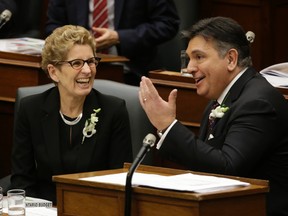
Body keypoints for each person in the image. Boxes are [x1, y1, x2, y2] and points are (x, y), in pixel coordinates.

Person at [138, 16, 288, 215]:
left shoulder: (257, 102)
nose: (190, 67)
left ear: (231, 59)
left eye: (199, 57)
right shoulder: (221, 99)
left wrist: (167, 126)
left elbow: (228, 168)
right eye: (190, 58)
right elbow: (209, 166)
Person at [11, 25, 133, 204]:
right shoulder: (31, 109)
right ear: (54, 72)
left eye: (91, 61)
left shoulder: (113, 111)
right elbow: (22, 179)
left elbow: (119, 183)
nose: (87, 70)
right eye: (76, 63)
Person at [45, 0, 180, 86]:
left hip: (132, 75)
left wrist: (119, 37)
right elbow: (53, 26)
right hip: (75, 73)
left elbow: (168, 24)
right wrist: (76, 42)